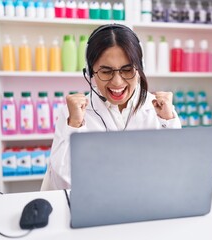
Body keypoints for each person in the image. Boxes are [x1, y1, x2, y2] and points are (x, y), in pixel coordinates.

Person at [41, 24, 182, 190]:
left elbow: (175, 173)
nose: (117, 82)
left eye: (127, 69)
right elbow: (62, 185)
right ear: (90, 71)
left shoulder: (159, 111)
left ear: (139, 68)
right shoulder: (73, 114)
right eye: (106, 71)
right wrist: (75, 126)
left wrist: (168, 123)